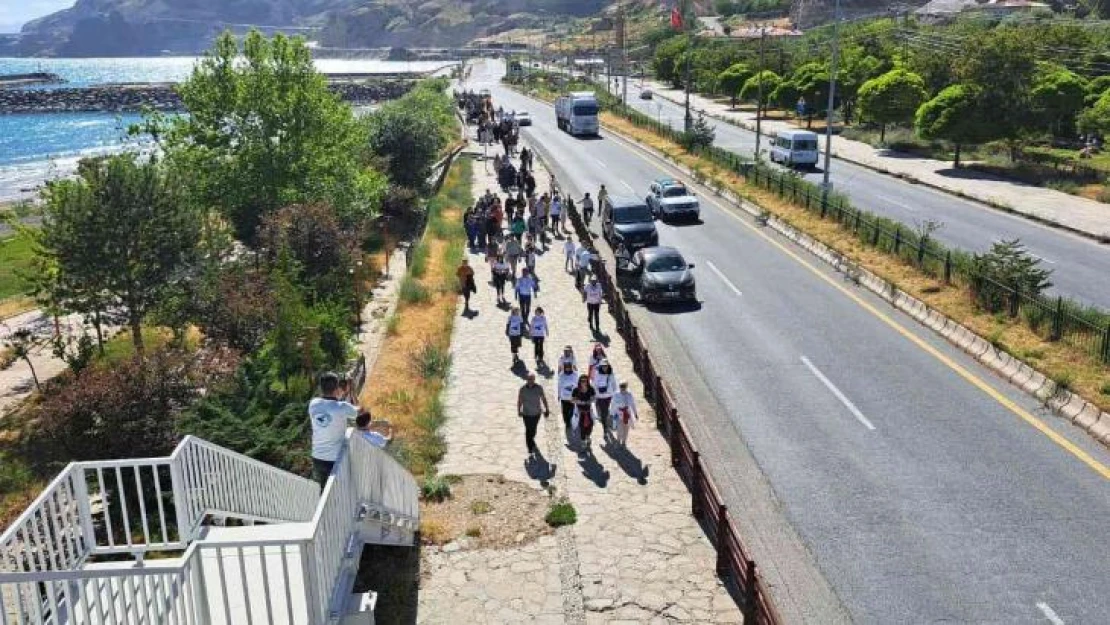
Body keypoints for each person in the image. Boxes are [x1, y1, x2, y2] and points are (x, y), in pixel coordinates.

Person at [309, 372, 359, 488]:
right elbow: (360, 412)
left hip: (317, 458)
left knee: (324, 490)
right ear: (337, 388)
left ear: (321, 388)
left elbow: (330, 403)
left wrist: (341, 392)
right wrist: (351, 391)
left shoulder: (313, 404)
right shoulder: (343, 407)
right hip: (335, 459)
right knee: (341, 489)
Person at [518, 373, 550, 456]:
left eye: (532, 379)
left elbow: (543, 399)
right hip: (526, 414)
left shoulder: (539, 388)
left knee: (534, 430)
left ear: (534, 380)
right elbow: (520, 401)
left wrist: (547, 409)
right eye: (529, 379)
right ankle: (530, 448)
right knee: (528, 430)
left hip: (536, 413)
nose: (530, 381)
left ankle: (531, 440)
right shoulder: (522, 389)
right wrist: (519, 410)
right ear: (526, 380)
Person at [591, 360, 617, 439]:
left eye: (606, 366)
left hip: (609, 396)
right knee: (604, 412)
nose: (604, 367)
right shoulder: (597, 374)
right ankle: (605, 428)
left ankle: (606, 424)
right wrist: (596, 393)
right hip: (600, 396)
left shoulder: (611, 374)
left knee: (605, 412)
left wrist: (614, 393)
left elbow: (614, 384)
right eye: (603, 366)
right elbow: (594, 384)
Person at [571, 374, 597, 450]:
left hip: (589, 411)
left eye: (585, 381)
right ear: (579, 381)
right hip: (580, 412)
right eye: (582, 381)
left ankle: (588, 436)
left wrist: (590, 401)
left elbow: (594, 398)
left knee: (590, 426)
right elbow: (572, 400)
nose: (583, 382)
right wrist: (579, 402)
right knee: (582, 428)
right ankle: (583, 443)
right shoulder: (576, 389)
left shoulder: (591, 389)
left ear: (587, 381)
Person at [609, 381, 639, 447]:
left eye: (624, 387)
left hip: (627, 414)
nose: (622, 388)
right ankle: (618, 440)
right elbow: (613, 404)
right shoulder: (616, 394)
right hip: (619, 413)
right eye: (621, 387)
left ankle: (624, 441)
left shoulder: (629, 394)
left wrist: (635, 413)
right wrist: (612, 413)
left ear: (626, 387)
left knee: (626, 428)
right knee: (619, 428)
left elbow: (633, 404)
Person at [557, 360, 579, 436]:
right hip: (564, 397)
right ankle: (567, 423)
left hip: (572, 397)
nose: (567, 369)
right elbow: (559, 385)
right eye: (566, 367)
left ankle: (570, 421)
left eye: (569, 367)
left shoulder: (575, 375)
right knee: (564, 411)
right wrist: (559, 394)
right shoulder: (561, 375)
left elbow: (577, 385)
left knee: (572, 410)